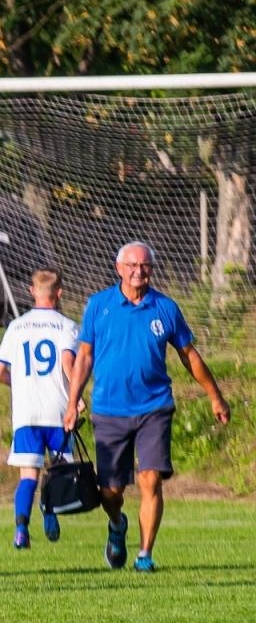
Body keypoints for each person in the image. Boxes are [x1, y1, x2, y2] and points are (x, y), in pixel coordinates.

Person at [63, 241, 230, 571]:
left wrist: (215, 395)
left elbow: (189, 355)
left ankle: (144, 555)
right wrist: (71, 403)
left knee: (150, 479)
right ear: (119, 269)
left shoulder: (165, 308)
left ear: (152, 269)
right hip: (109, 410)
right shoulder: (98, 305)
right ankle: (117, 525)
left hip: (155, 408)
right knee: (110, 492)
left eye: (145, 265)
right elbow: (84, 358)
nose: (138, 271)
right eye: (132, 265)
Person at [0, 268, 79, 549]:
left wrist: (18, 384)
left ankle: (21, 529)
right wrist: (77, 397)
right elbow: (68, 364)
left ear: (32, 291)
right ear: (60, 293)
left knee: (28, 475)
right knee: (59, 470)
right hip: (58, 410)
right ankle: (49, 511)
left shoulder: (16, 327)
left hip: (26, 413)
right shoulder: (67, 326)